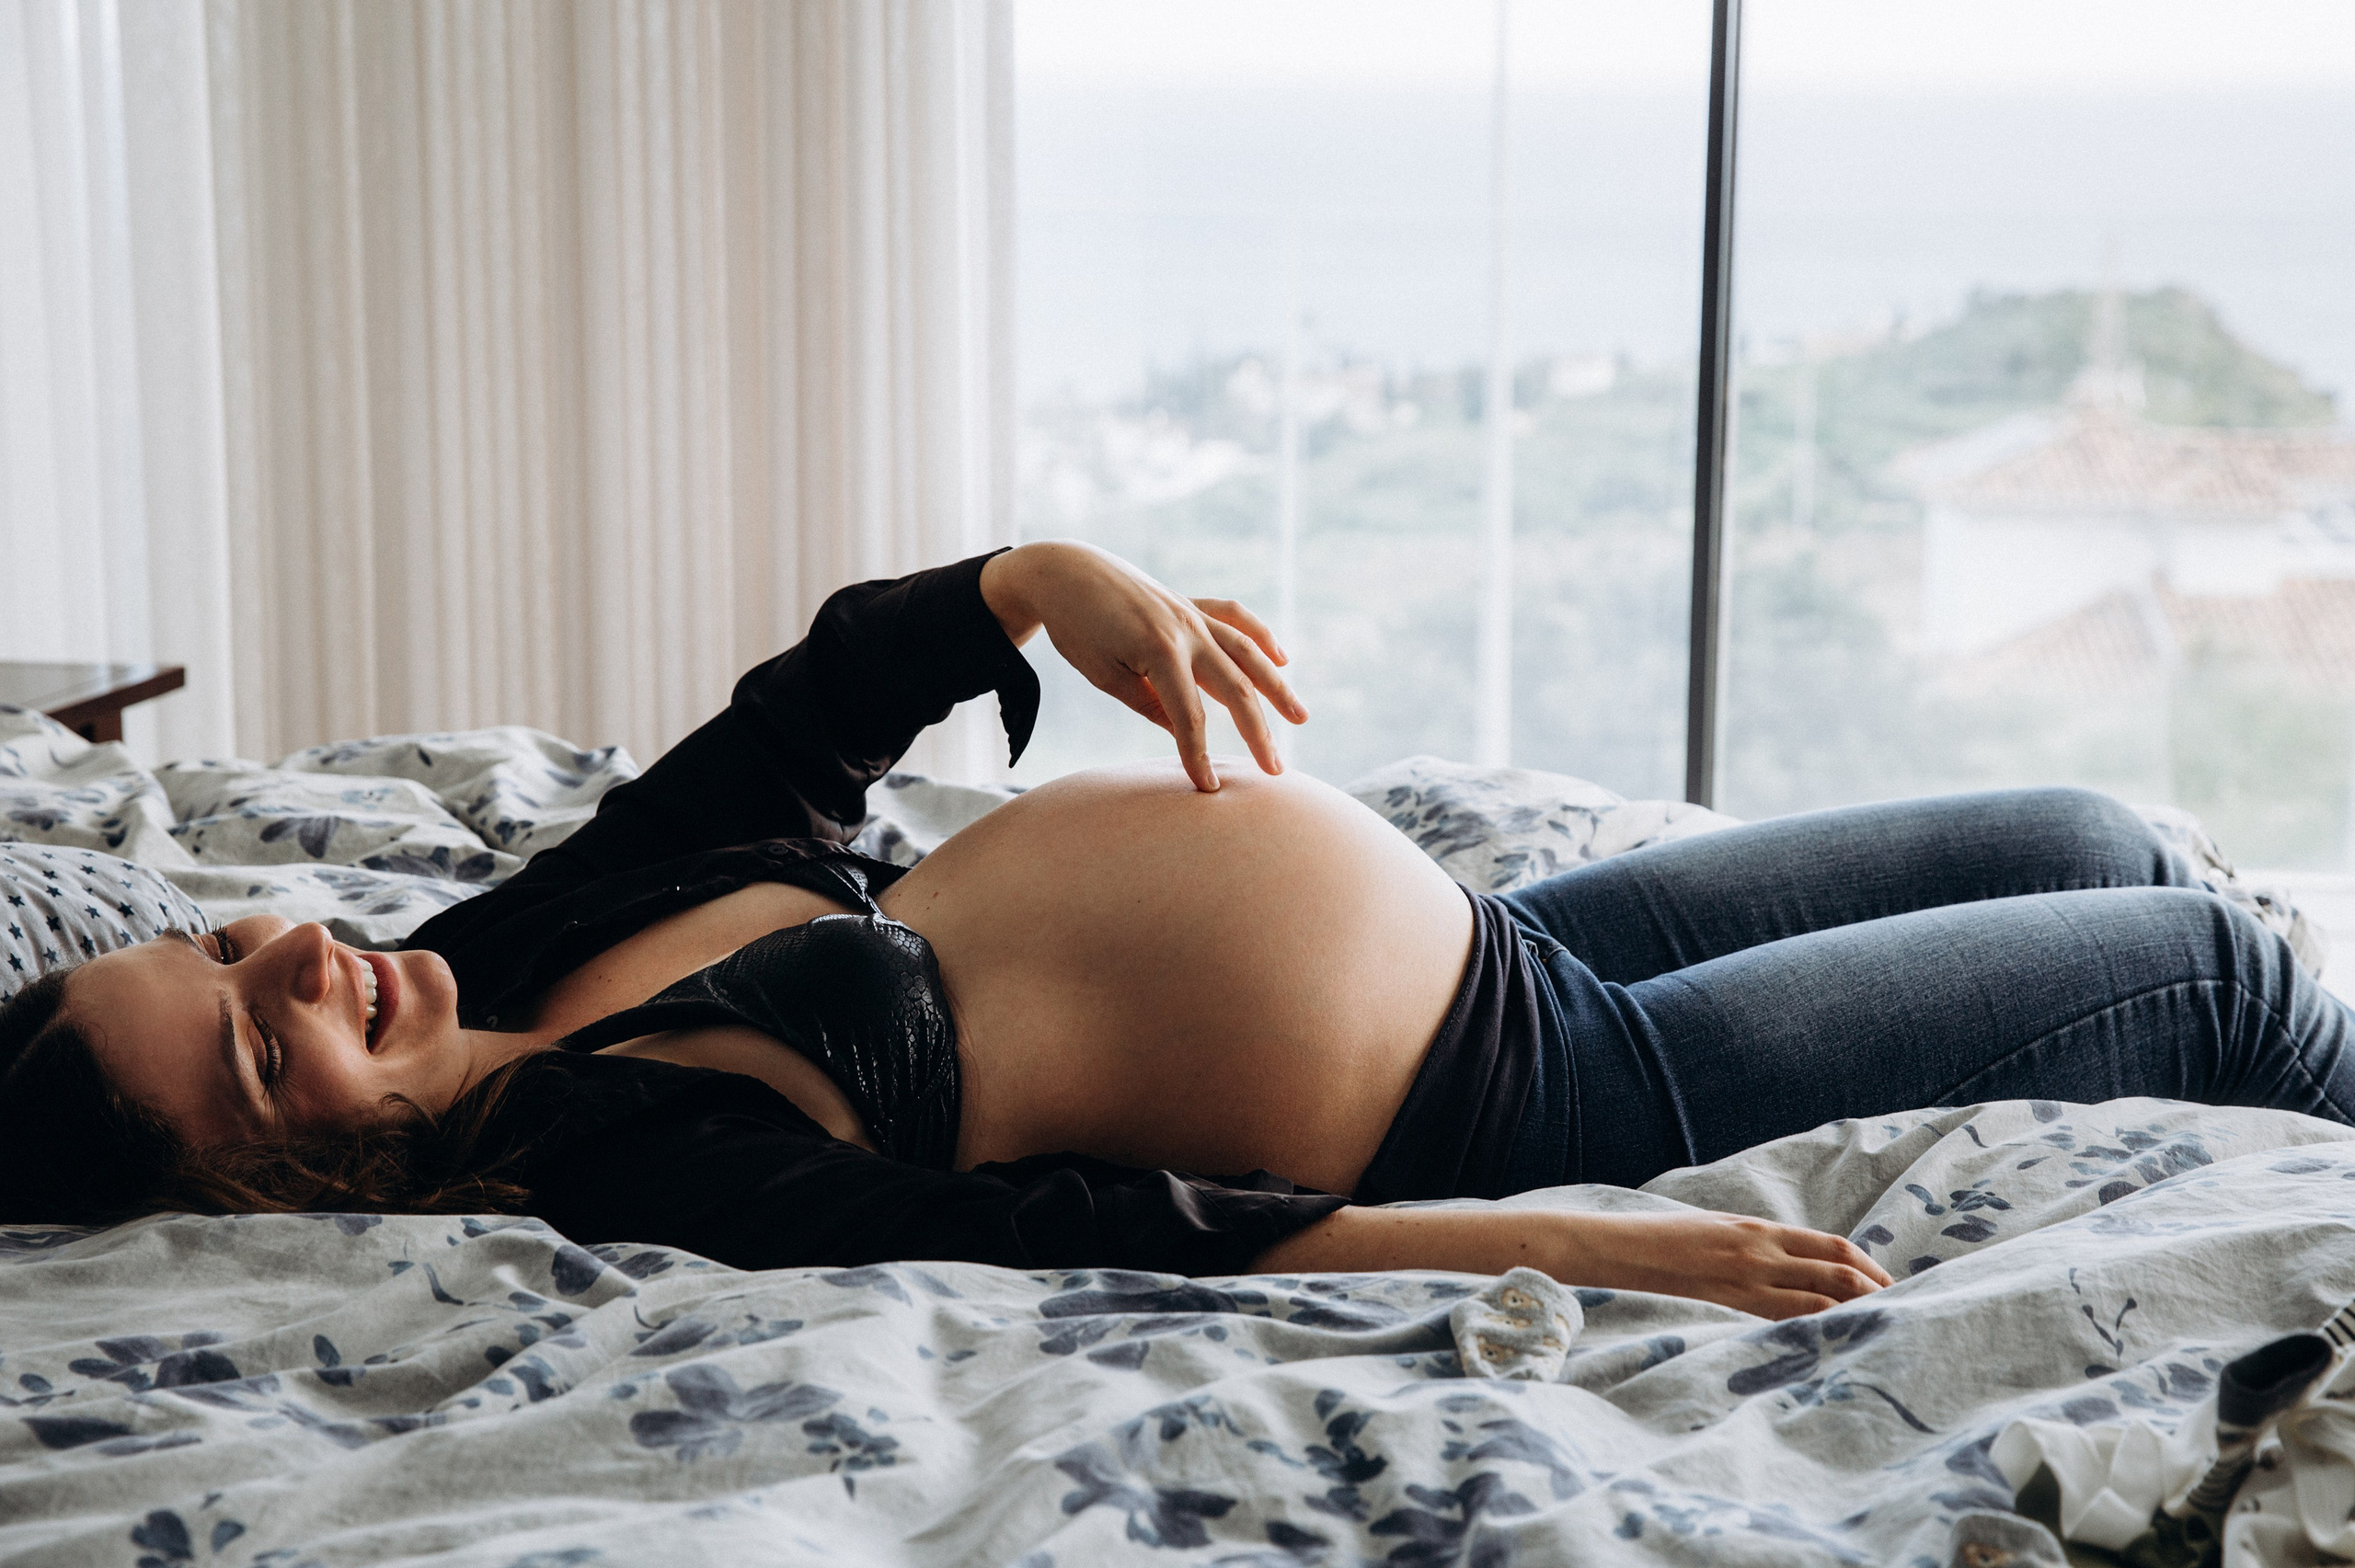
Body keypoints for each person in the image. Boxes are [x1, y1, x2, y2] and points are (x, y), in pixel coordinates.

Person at [3, 544, 2350, 1322]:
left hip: (1499, 935)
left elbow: (804, 717)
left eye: (223, 952)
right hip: (1516, 1088)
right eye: (265, 1051)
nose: (294, 961)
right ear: (278, 1180)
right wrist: (1580, 1243)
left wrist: (1041, 584)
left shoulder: (505, 942)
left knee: (2097, 826)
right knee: (2226, 978)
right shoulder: (616, 1161)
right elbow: (1075, 1228)